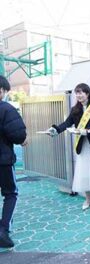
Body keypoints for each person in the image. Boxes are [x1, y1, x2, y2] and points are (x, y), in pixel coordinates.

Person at [47, 83, 90, 210]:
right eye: (77, 93)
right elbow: (67, 123)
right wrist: (55, 130)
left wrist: (86, 131)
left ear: (87, 93)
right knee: (84, 172)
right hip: (83, 145)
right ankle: (87, 199)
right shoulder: (75, 110)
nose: (78, 95)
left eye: (81, 92)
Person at [0, 76, 27, 248]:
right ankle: (3, 230)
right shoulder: (6, 109)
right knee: (10, 194)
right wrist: (23, 139)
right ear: (2, 90)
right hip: (3, 161)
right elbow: (18, 135)